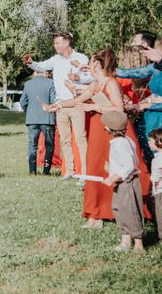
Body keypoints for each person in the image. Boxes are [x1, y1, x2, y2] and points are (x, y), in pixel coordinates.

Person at [46, 48, 151, 229]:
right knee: (95, 169)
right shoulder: (95, 84)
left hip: (112, 131)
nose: (88, 64)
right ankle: (95, 213)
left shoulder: (111, 83)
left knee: (114, 168)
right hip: (97, 130)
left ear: (98, 64)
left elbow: (118, 108)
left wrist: (93, 107)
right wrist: (59, 104)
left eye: (92, 61)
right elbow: (81, 100)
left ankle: (134, 208)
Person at [24, 32, 91, 179]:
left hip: (77, 103)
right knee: (65, 139)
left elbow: (89, 77)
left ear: (66, 43)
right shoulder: (55, 60)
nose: (55, 46)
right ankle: (70, 171)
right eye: (54, 43)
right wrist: (30, 62)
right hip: (60, 105)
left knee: (80, 138)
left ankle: (85, 173)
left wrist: (77, 79)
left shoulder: (81, 58)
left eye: (57, 43)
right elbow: (41, 67)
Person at [101, 111, 145, 253]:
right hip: (121, 183)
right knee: (119, 209)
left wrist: (114, 177)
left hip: (128, 183)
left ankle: (139, 245)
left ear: (108, 128)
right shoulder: (123, 141)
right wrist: (111, 170)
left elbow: (129, 166)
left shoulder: (121, 144)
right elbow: (127, 162)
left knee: (131, 211)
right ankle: (125, 241)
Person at [20, 71, 56, 175]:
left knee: (32, 145)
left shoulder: (28, 84)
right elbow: (54, 100)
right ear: (45, 72)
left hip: (32, 119)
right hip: (47, 118)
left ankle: (32, 171)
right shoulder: (51, 83)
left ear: (35, 72)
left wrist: (29, 112)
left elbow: (23, 102)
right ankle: (46, 171)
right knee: (49, 145)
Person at [148, 128, 162, 243]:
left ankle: (160, 236)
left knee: (159, 213)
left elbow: (156, 177)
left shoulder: (157, 159)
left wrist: (152, 180)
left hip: (159, 191)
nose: (148, 143)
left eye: (150, 141)